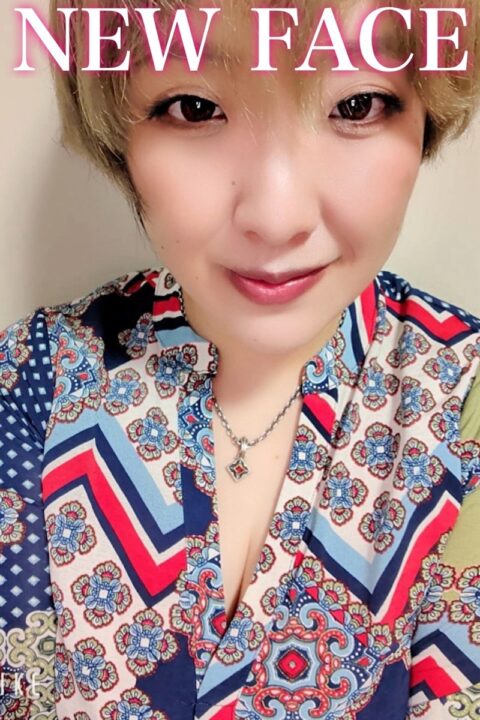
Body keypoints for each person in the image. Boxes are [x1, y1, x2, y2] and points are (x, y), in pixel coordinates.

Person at [1, 0, 480, 718]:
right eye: (194, 108)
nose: (277, 217)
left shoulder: (465, 403)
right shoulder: (31, 385)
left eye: (357, 104)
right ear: (118, 131)